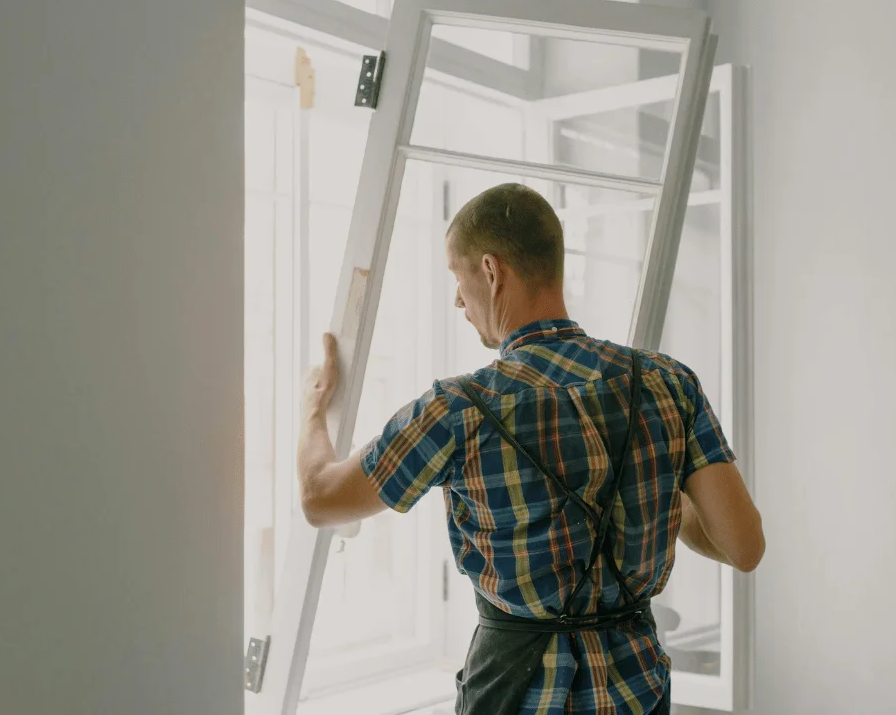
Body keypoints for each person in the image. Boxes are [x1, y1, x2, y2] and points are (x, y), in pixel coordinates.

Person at [296, 183, 765, 715]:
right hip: (638, 690)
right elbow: (743, 547)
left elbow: (319, 498)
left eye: (457, 275)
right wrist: (656, 494)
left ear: (492, 272)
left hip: (514, 694)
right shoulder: (667, 382)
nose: (456, 298)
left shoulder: (458, 408)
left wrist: (313, 412)